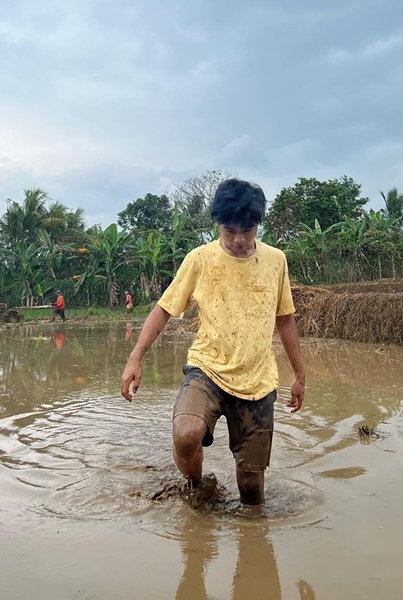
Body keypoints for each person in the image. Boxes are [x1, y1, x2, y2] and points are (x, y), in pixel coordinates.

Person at [120, 178, 306, 506]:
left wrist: (299, 375)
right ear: (218, 224)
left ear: (258, 224)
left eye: (247, 230)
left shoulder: (276, 261)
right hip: (207, 369)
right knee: (186, 433)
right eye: (229, 229)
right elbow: (164, 308)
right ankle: (195, 483)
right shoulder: (200, 259)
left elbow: (285, 318)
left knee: (252, 492)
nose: (237, 239)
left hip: (257, 382)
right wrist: (136, 357)